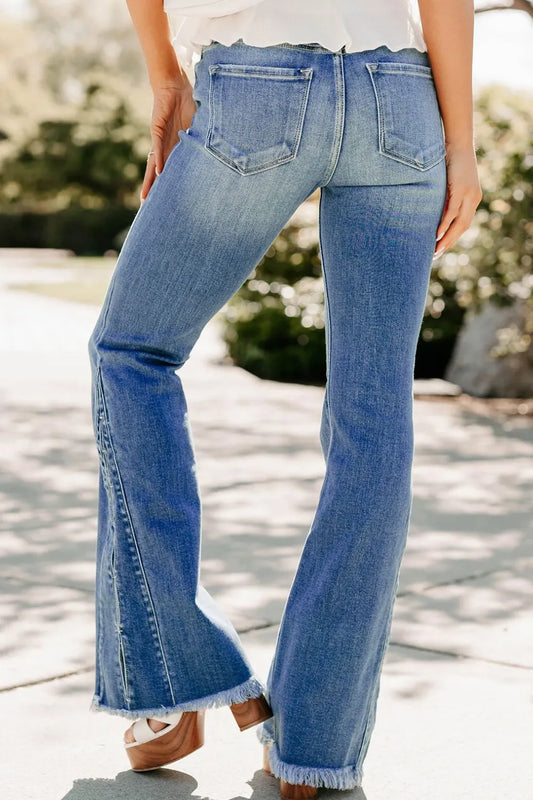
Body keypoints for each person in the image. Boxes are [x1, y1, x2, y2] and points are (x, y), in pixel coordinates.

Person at [87, 1, 482, 797]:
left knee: (132, 352)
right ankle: (315, 749)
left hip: (257, 83)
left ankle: (178, 677)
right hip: (401, 99)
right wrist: (461, 143)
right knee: (375, 414)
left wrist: (166, 76)